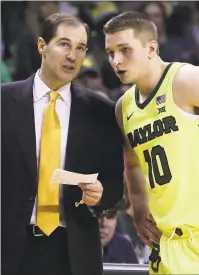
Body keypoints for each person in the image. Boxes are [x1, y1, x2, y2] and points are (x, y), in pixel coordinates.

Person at [103, 11, 199, 274]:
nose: (116, 61)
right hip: (165, 247)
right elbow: (133, 163)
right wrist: (139, 210)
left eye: (125, 50)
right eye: (110, 52)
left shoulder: (188, 80)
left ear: (151, 48)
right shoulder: (123, 107)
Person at [1, 12, 124, 275]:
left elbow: (115, 184)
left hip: (74, 253)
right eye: (64, 44)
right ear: (42, 46)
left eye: (80, 48)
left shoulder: (102, 111)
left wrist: (102, 194)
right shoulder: (3, 102)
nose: (73, 56)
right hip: (10, 249)